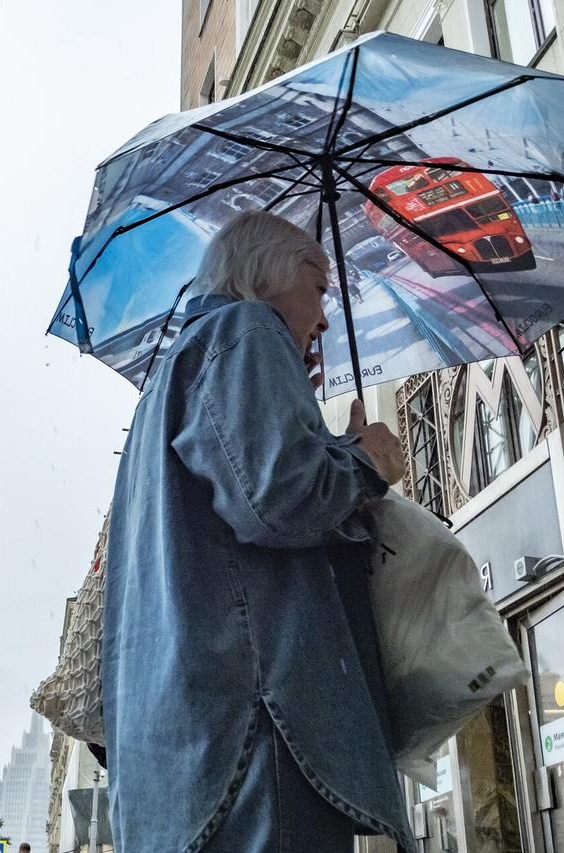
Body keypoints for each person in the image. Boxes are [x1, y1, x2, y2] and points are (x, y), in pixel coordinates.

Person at [102, 211, 414, 852]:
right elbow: (279, 499)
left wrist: (305, 423)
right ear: (265, 272)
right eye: (319, 283)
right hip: (258, 727)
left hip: (186, 753)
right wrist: (367, 462)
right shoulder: (247, 330)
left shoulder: (174, 371)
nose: (326, 316)